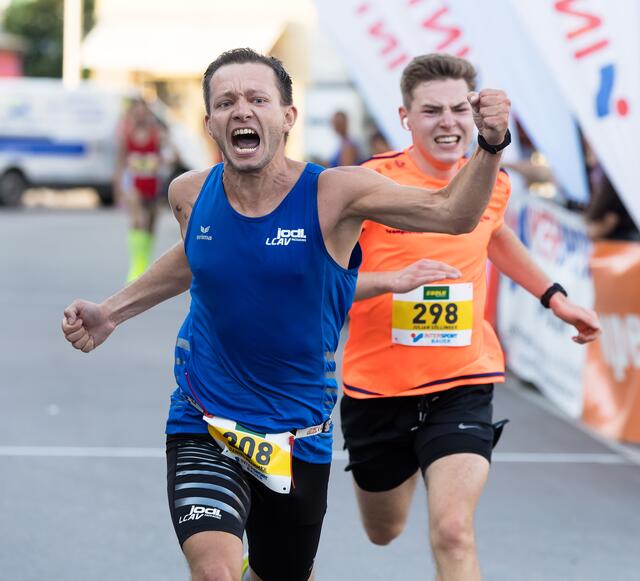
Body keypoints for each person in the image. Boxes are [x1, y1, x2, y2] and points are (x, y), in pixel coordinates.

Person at [61, 48, 512, 581]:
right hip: (204, 417)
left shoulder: (336, 193)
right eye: (226, 102)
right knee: (215, 572)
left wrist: (490, 144)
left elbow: (453, 215)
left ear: (288, 116)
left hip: (298, 432)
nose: (242, 110)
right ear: (210, 123)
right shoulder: (189, 192)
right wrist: (112, 311)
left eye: (258, 99)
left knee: (282, 572)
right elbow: (197, 256)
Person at [340, 54, 601, 581]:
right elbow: (322, 279)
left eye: (459, 108)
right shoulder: (368, 184)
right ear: (405, 117)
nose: (448, 122)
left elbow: (495, 233)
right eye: (431, 110)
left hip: (462, 378)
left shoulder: (489, 180)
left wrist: (555, 297)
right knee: (384, 530)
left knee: (454, 530)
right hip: (378, 388)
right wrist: (390, 282)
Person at [113, 97, 168, 282]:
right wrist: (118, 186)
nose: (140, 114)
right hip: (134, 183)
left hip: (153, 183)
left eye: (143, 110)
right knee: (138, 221)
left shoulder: (157, 133)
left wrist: (159, 160)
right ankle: (136, 265)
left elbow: (167, 155)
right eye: (137, 111)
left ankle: (144, 261)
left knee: (151, 225)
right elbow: (120, 162)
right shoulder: (127, 134)